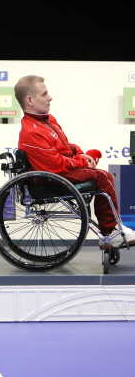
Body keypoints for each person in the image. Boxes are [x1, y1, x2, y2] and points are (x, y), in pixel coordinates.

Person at [14, 75, 135, 248]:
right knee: (103, 177)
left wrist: (80, 154)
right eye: (44, 94)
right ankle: (111, 233)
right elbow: (54, 164)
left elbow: (66, 146)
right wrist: (82, 162)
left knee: (97, 167)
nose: (50, 97)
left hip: (59, 171)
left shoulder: (48, 120)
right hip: (49, 179)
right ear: (30, 100)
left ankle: (110, 231)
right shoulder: (31, 131)